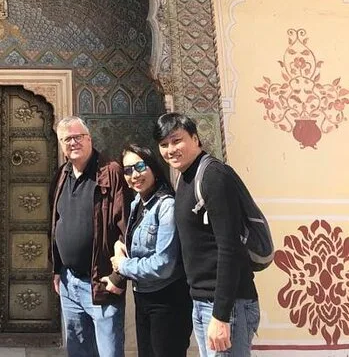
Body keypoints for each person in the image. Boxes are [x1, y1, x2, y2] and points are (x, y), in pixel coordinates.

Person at [154, 113, 260, 356]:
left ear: (195, 138)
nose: (170, 149)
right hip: (203, 302)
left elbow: (229, 248)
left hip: (227, 305)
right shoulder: (185, 177)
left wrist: (221, 316)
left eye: (176, 140)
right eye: (163, 144)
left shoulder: (213, 176)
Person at [102, 143, 192, 357]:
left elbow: (163, 264)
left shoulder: (166, 206)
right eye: (128, 170)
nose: (134, 175)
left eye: (140, 166)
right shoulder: (137, 203)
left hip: (167, 301)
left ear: (153, 166)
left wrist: (123, 266)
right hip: (144, 297)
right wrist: (120, 247)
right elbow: (139, 246)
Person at [49, 115, 128, 357]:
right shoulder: (62, 175)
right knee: (79, 349)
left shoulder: (110, 172)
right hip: (69, 282)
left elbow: (125, 227)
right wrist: (57, 269)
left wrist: (117, 277)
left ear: (89, 139)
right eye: (67, 139)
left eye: (78, 137)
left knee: (108, 351)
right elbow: (56, 221)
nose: (73, 143)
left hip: (100, 282)